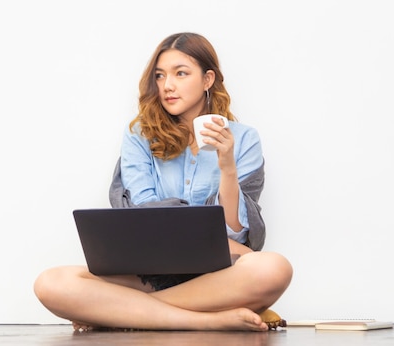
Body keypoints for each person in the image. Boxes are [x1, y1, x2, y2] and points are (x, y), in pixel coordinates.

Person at [33, 32, 293, 332]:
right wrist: (205, 236)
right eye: (159, 76)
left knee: (273, 268)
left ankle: (122, 312)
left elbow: (235, 233)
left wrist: (227, 166)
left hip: (217, 274)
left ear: (208, 79)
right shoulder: (139, 134)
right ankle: (208, 320)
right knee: (51, 283)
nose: (167, 86)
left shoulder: (244, 138)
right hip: (148, 271)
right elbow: (144, 216)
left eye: (180, 74)